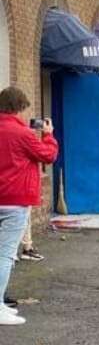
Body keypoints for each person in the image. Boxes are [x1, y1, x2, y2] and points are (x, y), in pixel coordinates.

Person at [0, 86, 58, 326]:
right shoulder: (22, 133)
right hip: (15, 199)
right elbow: (48, 155)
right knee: (5, 255)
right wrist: (49, 134)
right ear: (19, 107)